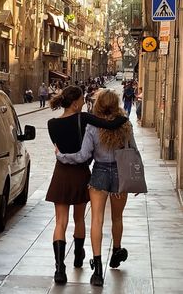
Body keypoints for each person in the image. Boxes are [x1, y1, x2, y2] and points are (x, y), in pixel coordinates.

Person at [46, 85, 128, 285]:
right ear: (75, 103)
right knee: (82, 219)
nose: (85, 102)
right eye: (82, 99)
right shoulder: (85, 119)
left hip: (63, 172)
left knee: (61, 222)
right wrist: (124, 117)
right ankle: (80, 256)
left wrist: (61, 156)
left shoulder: (51, 123)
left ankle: (60, 269)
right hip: (82, 173)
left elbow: (66, 148)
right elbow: (114, 127)